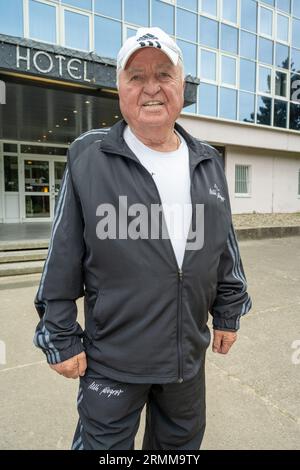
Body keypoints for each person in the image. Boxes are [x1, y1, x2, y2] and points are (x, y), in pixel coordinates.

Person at [33, 27, 252, 451]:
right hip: (112, 360)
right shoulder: (90, 155)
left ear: (181, 86)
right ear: (120, 88)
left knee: (179, 450)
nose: (151, 87)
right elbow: (62, 256)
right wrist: (58, 335)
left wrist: (229, 310)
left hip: (187, 358)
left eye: (163, 74)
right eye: (136, 76)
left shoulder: (207, 161)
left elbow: (224, 246)